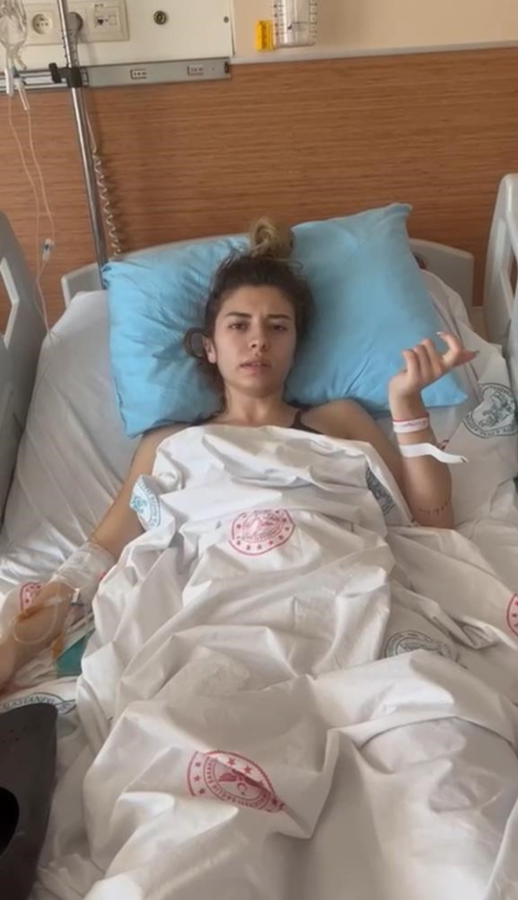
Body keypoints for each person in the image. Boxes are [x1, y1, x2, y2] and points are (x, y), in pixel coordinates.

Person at [0, 218, 475, 689]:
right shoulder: (170, 444)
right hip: (212, 620)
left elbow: (432, 522)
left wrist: (407, 407)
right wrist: (12, 650)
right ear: (209, 347)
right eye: (238, 324)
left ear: (295, 346)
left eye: (278, 326)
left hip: (341, 601)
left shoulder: (339, 421)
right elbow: (97, 557)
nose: (258, 339)